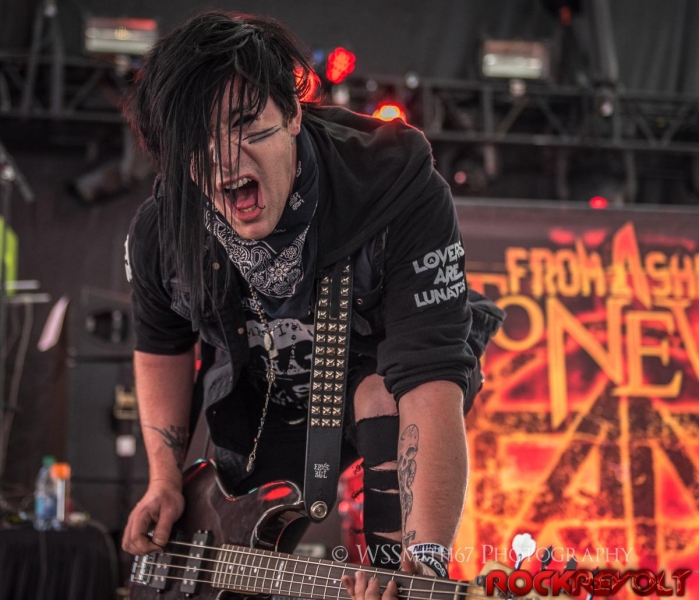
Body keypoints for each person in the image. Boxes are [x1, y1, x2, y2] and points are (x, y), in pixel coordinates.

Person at [120, 10, 504, 595]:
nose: (227, 162)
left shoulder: (395, 185)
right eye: (199, 143)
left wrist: (426, 555)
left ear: (293, 113)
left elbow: (428, 380)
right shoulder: (164, 229)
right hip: (261, 398)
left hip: (375, 373)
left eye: (247, 127)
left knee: (381, 397)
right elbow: (161, 346)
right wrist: (163, 479)